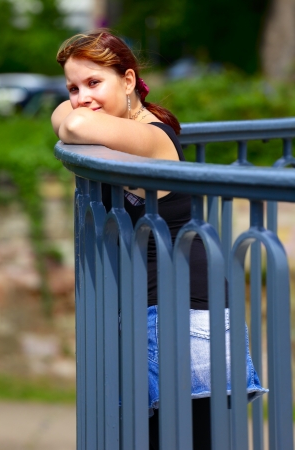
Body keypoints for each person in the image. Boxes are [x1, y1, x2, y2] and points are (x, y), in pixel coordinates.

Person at [51, 30, 267, 450]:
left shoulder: (153, 136)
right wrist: (80, 99)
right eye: (73, 87)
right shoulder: (124, 127)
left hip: (188, 317)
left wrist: (77, 110)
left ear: (129, 80)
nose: (82, 97)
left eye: (95, 83)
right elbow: (65, 114)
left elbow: (71, 121)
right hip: (153, 310)